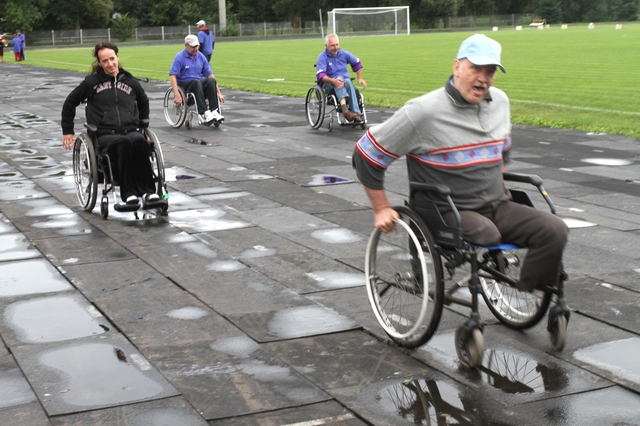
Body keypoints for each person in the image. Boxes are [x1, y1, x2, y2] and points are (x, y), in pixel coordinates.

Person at [352, 33, 568, 293]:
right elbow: (366, 153)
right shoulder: (423, 111)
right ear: (457, 67)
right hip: (446, 210)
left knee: (554, 229)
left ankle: (530, 291)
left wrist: (494, 180)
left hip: (496, 204)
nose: (483, 78)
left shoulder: (500, 101)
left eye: (490, 71)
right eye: (476, 68)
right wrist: (381, 209)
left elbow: (504, 149)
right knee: (488, 233)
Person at [61, 41, 164, 209]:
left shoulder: (130, 81)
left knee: (139, 141)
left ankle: (148, 192)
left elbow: (143, 101)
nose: (110, 64)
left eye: (112, 59)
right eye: (105, 61)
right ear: (99, 63)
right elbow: (69, 103)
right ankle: (129, 194)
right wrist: (68, 131)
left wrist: (143, 124)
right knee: (123, 142)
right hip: (104, 133)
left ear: (117, 57)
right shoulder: (91, 83)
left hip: (131, 129)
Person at [169, 34, 224, 126]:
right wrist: (177, 94)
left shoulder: (201, 56)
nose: (195, 49)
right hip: (185, 84)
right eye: (193, 47)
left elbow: (210, 74)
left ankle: (214, 110)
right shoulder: (179, 57)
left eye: (196, 46)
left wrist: (219, 93)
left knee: (211, 81)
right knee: (196, 82)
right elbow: (173, 76)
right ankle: (204, 112)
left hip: (198, 83)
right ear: (186, 45)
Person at [316, 33, 366, 123]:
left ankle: (354, 113)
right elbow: (321, 76)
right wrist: (333, 81)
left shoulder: (344, 54)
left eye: (337, 45)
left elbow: (357, 63)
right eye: (332, 45)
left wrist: (360, 78)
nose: (336, 47)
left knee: (347, 81)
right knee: (339, 79)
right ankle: (346, 110)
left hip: (345, 82)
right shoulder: (322, 57)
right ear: (326, 46)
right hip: (329, 83)